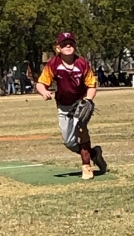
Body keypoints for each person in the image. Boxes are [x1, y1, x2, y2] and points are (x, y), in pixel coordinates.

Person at [36, 32, 107, 180]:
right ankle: (94, 154)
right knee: (69, 142)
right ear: (58, 48)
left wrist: (88, 99)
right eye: (64, 44)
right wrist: (44, 92)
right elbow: (41, 83)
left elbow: (92, 85)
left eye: (71, 43)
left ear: (75, 46)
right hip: (63, 106)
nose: (68, 46)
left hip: (80, 103)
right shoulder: (53, 64)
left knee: (82, 129)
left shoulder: (82, 64)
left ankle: (86, 166)